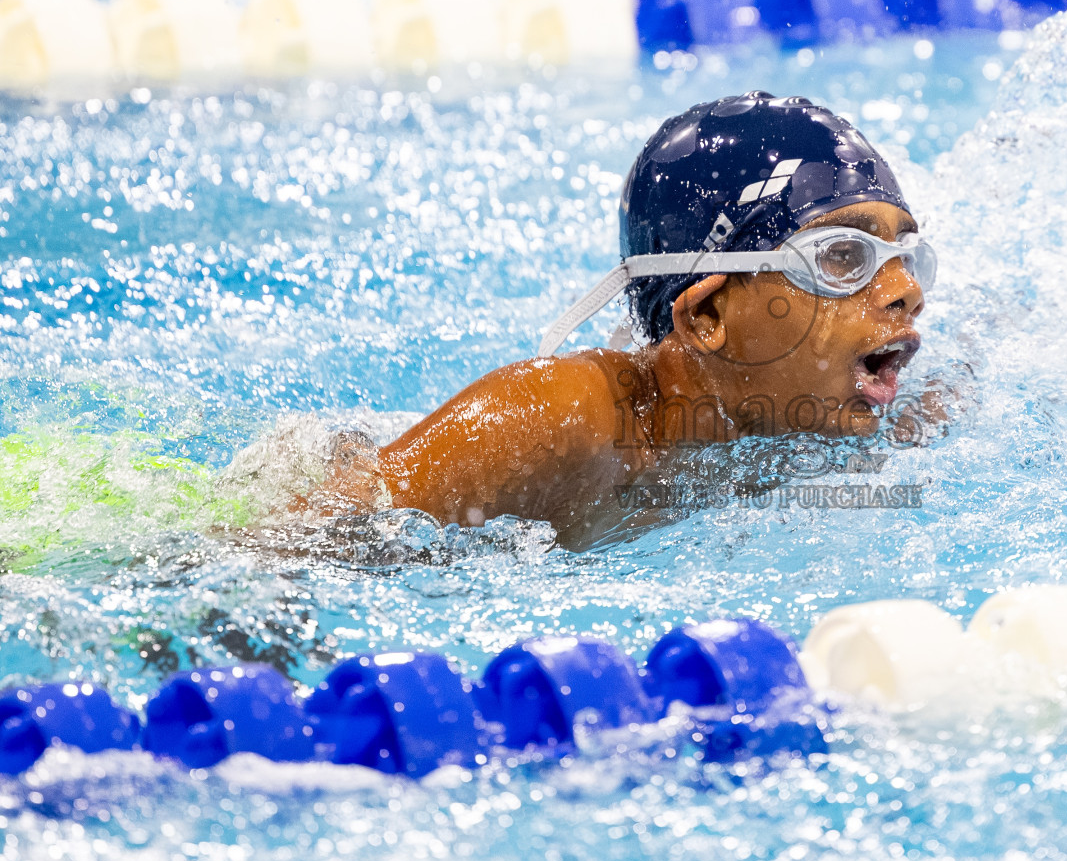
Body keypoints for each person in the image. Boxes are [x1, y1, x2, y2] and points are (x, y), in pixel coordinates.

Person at [318, 92, 936, 549]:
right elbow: (301, 539)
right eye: (842, 258)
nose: (906, 291)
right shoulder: (559, 417)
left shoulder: (827, 425)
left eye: (906, 257)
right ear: (707, 315)